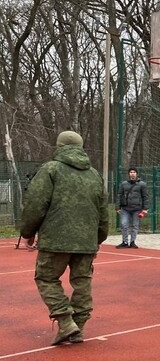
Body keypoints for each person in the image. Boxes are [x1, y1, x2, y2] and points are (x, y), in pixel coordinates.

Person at [20, 130, 109, 345]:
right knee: (82, 282)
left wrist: (28, 233)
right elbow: (103, 210)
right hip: (86, 240)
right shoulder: (94, 174)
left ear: (59, 146)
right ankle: (78, 327)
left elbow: (35, 204)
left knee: (46, 278)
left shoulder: (51, 169)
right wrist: (98, 238)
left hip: (55, 240)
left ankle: (66, 321)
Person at [116, 167, 149, 249]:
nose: (132, 173)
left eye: (134, 172)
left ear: (136, 174)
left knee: (135, 225)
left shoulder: (142, 184)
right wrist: (117, 207)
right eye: (131, 172)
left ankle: (132, 242)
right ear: (128, 174)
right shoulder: (123, 184)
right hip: (125, 208)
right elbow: (119, 195)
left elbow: (145, 197)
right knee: (124, 224)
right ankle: (124, 242)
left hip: (137, 208)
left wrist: (145, 208)